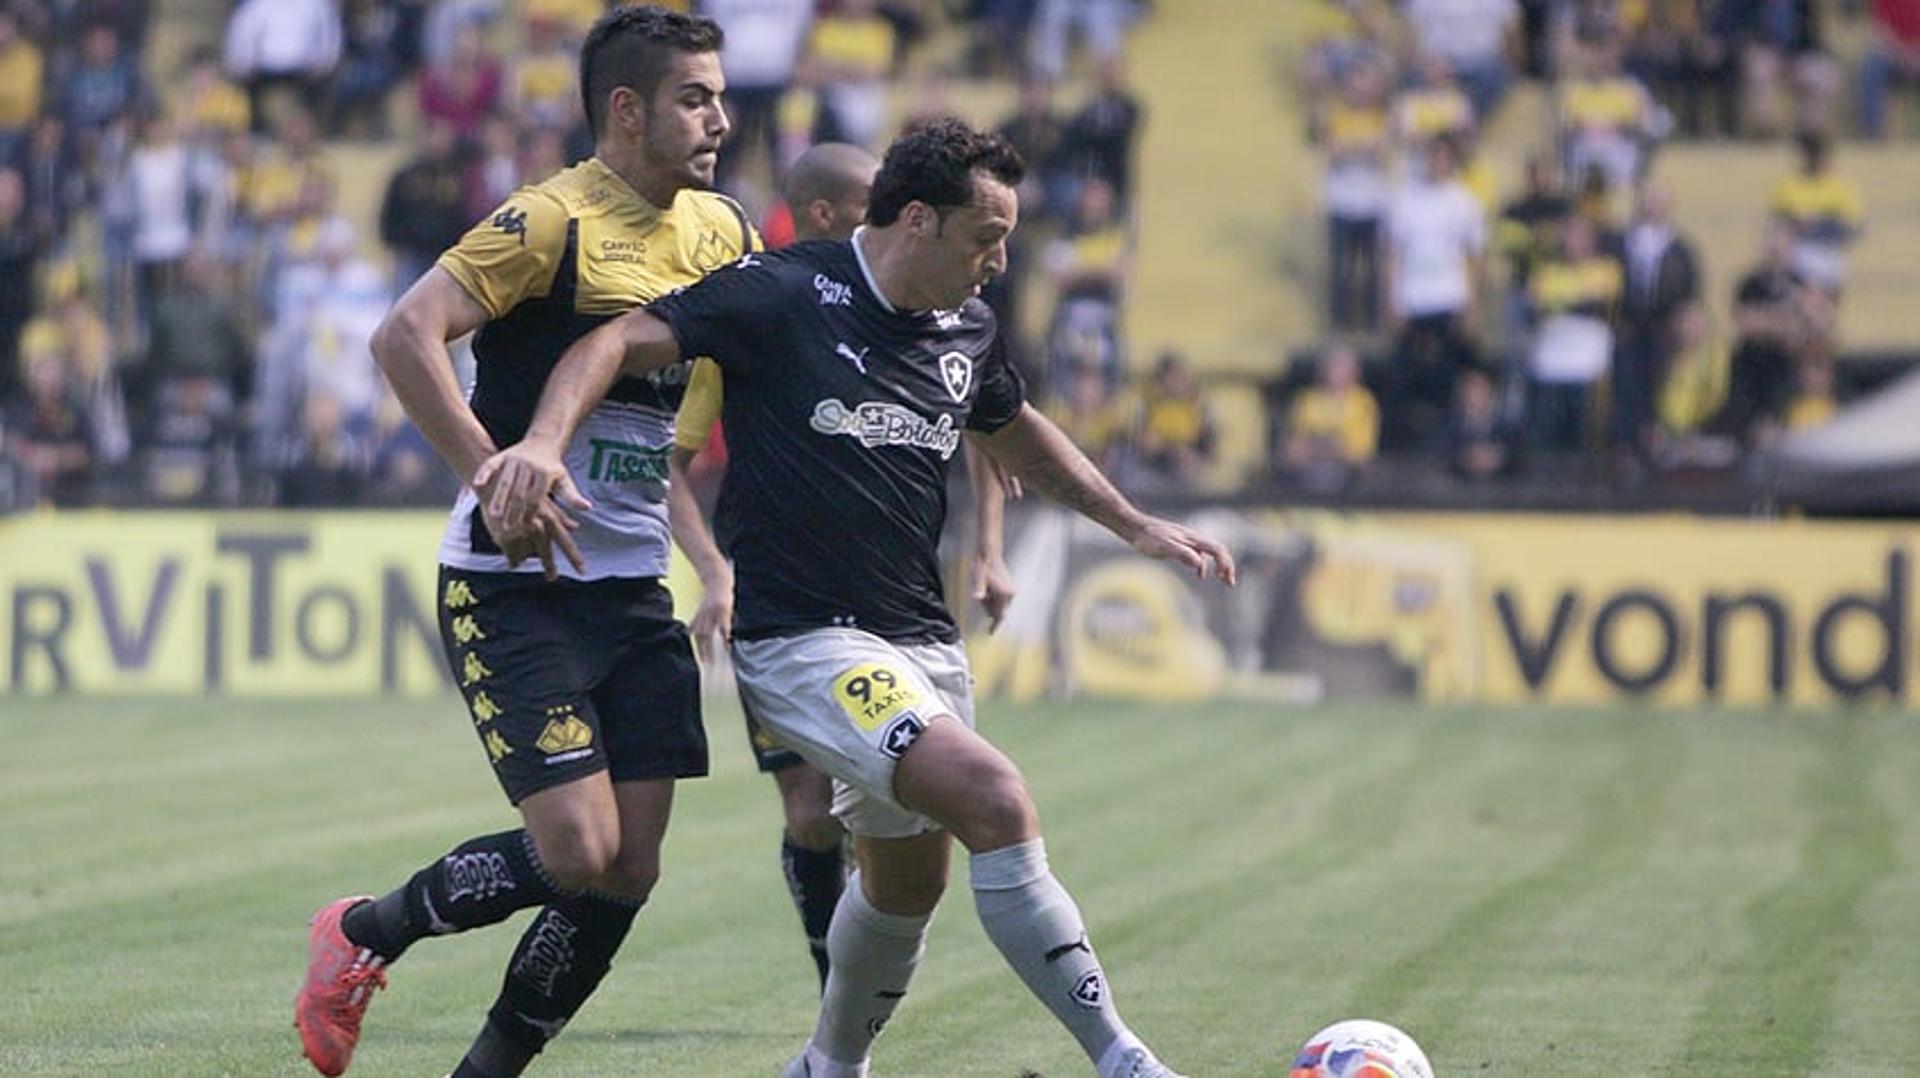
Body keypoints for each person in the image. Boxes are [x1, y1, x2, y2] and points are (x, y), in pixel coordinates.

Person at [478, 117, 1231, 1078]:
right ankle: (1124, 1059)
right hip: (804, 644)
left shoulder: (965, 327)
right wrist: (542, 442)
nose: (997, 265)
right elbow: (617, 340)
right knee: (994, 797)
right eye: (984, 239)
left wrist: (1133, 524)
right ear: (916, 219)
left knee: (908, 884)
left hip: (921, 639)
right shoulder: (787, 292)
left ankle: (827, 1067)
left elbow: (1012, 426)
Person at [293, 9, 754, 1077]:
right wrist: (488, 467)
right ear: (627, 110)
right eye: (696, 98)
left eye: (721, 96)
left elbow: (661, 452)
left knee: (629, 869)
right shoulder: (552, 220)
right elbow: (404, 332)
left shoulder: (727, 233)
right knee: (578, 849)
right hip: (514, 585)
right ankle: (365, 930)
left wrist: (716, 565)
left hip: (633, 592)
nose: (721, 119)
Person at [669, 140, 1015, 989]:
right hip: (783, 603)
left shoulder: (922, 315)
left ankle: (849, 1001)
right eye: (870, 200)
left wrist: (994, 551)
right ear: (825, 213)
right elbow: (668, 463)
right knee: (810, 811)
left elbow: (989, 426)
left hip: (889, 613)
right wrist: (717, 572)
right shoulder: (766, 310)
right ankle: (835, 972)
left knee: (885, 817)